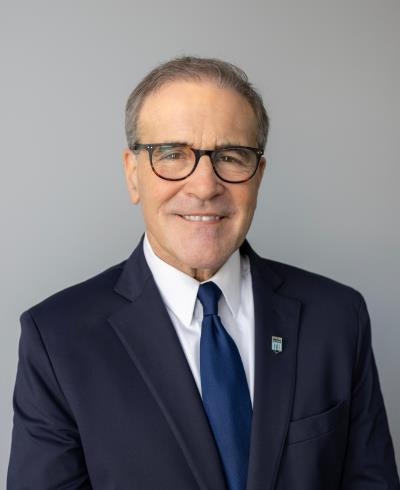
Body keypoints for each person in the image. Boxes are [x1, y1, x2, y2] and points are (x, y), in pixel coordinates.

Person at [7, 56, 399, 490]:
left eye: (230, 156)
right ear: (133, 175)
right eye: (173, 155)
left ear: (258, 177)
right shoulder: (58, 338)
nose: (205, 186)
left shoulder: (337, 318)